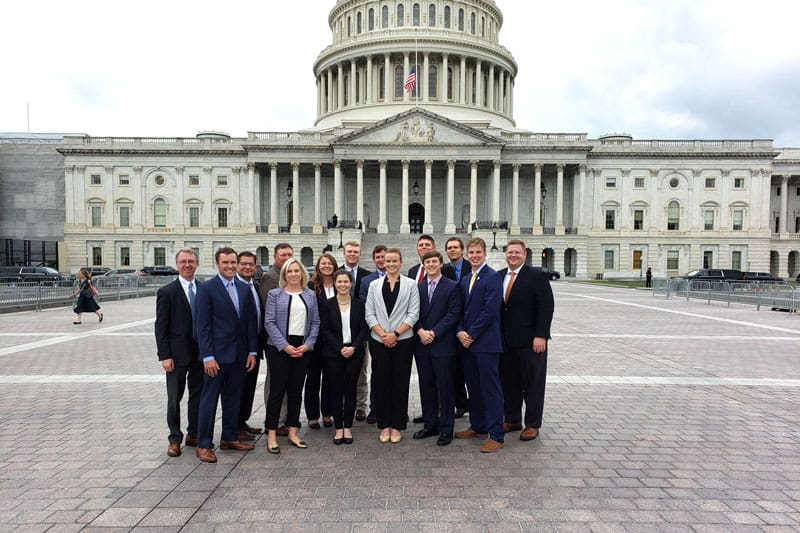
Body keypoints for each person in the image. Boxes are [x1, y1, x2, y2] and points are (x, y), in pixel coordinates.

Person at [194, 247, 259, 463]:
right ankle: (203, 444)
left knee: (233, 399)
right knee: (209, 401)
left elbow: (250, 322)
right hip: (217, 357)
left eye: (233, 262)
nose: (230, 266)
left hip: (239, 356)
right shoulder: (207, 289)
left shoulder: (243, 288)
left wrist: (251, 351)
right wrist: (207, 356)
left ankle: (230, 437)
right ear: (217, 264)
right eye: (226, 263)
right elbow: (202, 326)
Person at [498, 240, 555, 442]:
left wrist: (541, 335)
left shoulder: (537, 276)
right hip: (505, 341)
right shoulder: (499, 276)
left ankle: (532, 424)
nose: (513, 255)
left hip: (531, 341)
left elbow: (546, 306)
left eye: (517, 252)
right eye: (510, 252)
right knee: (509, 383)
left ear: (524, 254)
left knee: (533, 383)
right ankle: (512, 419)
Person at [264, 258, 320, 453]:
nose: (294, 274)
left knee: (296, 391)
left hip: (302, 347)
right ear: (284, 274)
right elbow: (269, 322)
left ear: (302, 273)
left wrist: (308, 345)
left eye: (297, 271)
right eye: (290, 271)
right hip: (279, 347)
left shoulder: (310, 295)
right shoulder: (275, 294)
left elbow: (315, 322)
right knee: (277, 391)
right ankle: (271, 433)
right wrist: (284, 346)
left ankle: (293, 432)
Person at [455, 238, 505, 453]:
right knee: (473, 387)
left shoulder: (493, 277)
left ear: (484, 254)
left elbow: (490, 310)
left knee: (490, 389)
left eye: (478, 252)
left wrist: (471, 334)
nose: (474, 256)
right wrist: (460, 332)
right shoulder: (466, 279)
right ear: (467, 255)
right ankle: (478, 425)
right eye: (471, 253)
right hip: (468, 344)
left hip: (485, 343)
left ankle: (496, 434)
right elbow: (459, 308)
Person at [364, 248, 420, 443]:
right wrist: (383, 334)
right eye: (388, 261)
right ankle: (384, 425)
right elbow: (369, 313)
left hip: (403, 340)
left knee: (400, 382)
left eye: (394, 260)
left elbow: (413, 313)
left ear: (401, 262)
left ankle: (397, 425)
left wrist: (395, 334)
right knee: (381, 382)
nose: (390, 264)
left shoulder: (411, 285)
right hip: (379, 341)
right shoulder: (374, 285)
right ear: (382, 263)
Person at [155, 248, 203, 457]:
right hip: (176, 355)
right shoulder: (167, 292)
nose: (187, 265)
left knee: (197, 396)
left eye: (191, 261)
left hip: (200, 354)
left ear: (196, 264)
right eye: (183, 261)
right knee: (174, 398)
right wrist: (164, 355)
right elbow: (161, 326)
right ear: (177, 265)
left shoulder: (204, 289)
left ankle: (194, 433)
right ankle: (175, 438)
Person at [413, 250, 463, 446]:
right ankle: (430, 424)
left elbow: (454, 314)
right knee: (426, 386)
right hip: (422, 345)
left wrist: (433, 332)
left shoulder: (452, 287)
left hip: (443, 345)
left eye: (434, 261)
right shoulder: (417, 288)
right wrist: (420, 331)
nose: (431, 265)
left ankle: (446, 429)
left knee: (445, 388)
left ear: (441, 264)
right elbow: (412, 313)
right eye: (428, 262)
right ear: (423, 265)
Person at [321, 269, 369, 444]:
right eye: (339, 282)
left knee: (351, 390)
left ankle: (348, 427)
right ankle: (338, 427)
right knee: (335, 390)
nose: (342, 285)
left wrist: (354, 347)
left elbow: (364, 329)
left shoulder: (359, 304)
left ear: (351, 283)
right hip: (333, 353)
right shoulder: (327, 305)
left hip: (354, 353)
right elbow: (325, 330)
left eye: (345, 282)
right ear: (335, 283)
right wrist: (340, 347)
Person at [258, 243, 294, 436]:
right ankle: (275, 419)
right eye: (282, 255)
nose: (286, 257)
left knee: (286, 380)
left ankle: (284, 417)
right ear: (275, 256)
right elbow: (268, 314)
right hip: (276, 341)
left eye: (289, 254)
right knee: (275, 381)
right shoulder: (269, 278)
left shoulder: (290, 275)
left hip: (291, 339)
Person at [305, 253, 338, 429]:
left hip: (333, 339)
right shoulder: (311, 286)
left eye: (329, 263)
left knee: (330, 378)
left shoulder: (339, 283)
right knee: (313, 377)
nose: (326, 266)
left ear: (334, 266)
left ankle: (327, 413)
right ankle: (312, 416)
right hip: (316, 338)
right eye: (323, 263)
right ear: (318, 266)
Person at [356, 244, 387, 424]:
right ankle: (374, 408)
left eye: (385, 257)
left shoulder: (402, 279)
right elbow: (363, 305)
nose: (382, 260)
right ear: (374, 259)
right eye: (378, 257)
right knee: (376, 372)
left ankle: (396, 408)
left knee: (394, 373)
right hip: (374, 333)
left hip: (395, 334)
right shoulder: (367, 280)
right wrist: (378, 329)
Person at [235, 251, 264, 441]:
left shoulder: (255, 285)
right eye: (243, 264)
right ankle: (235, 426)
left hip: (256, 345)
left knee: (249, 387)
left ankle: (242, 422)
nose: (247, 267)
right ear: (237, 265)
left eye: (250, 264)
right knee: (237, 388)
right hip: (239, 349)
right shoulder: (234, 287)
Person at [342, 240, 372, 421]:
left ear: (360, 254)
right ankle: (344, 403)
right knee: (340, 370)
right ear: (344, 253)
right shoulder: (336, 272)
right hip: (341, 329)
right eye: (349, 252)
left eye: (355, 252)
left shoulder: (367, 276)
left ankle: (361, 406)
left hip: (361, 329)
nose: (352, 254)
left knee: (361, 369)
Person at [445, 237, 470, 419]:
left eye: (455, 247)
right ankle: (461, 404)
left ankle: (476, 404)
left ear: (462, 250)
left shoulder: (472, 267)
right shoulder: (444, 269)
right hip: (451, 327)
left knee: (471, 368)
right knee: (454, 370)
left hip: (470, 326)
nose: (452, 250)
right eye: (449, 248)